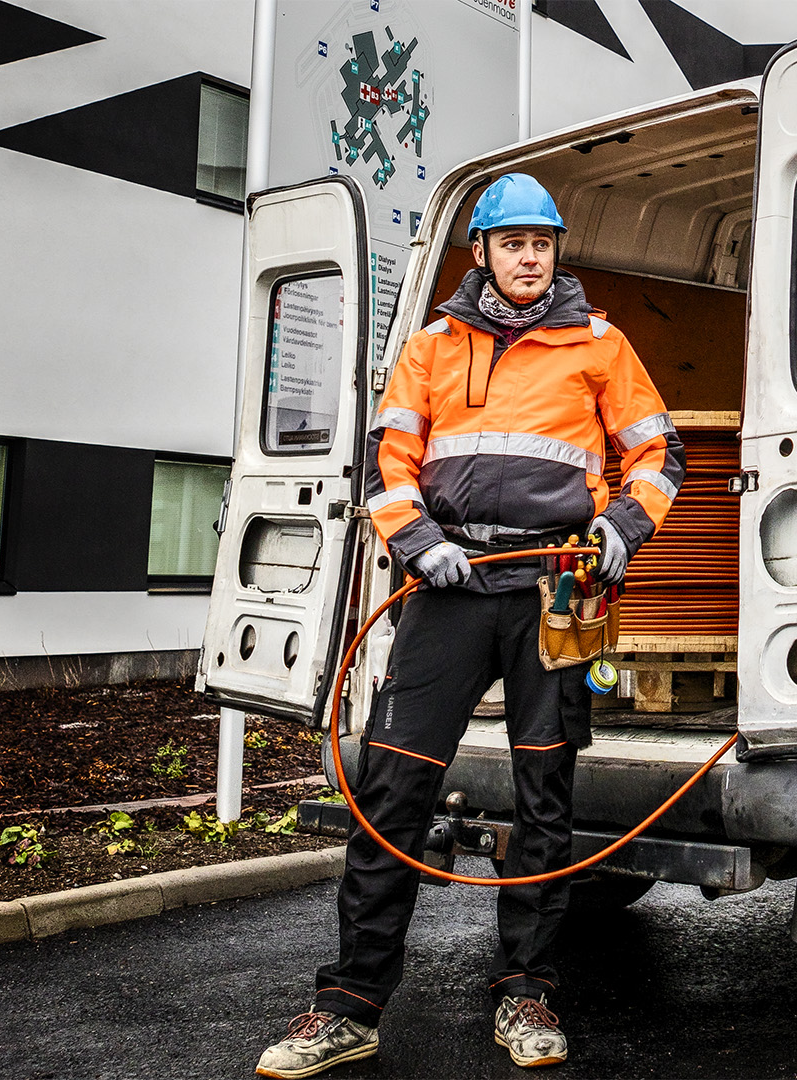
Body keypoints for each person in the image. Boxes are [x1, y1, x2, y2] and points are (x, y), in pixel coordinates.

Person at [256, 173, 686, 1078]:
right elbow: (387, 463)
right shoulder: (432, 349)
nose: (530, 257)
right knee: (390, 792)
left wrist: (620, 529)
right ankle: (348, 1004)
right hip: (447, 588)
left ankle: (526, 991)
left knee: (543, 801)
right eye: (513, 242)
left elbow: (660, 454)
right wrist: (417, 543)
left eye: (543, 243)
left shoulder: (601, 345)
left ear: (553, 252)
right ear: (482, 253)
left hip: (552, 591)